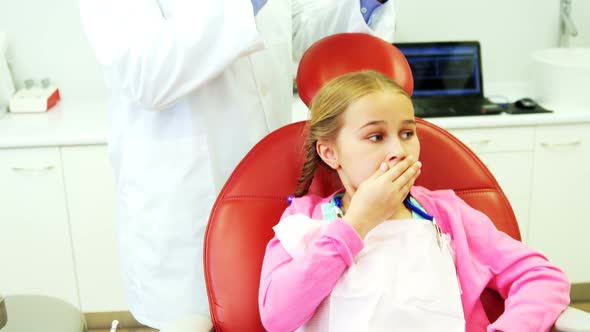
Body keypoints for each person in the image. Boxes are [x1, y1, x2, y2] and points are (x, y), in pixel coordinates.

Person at [79, 0, 398, 329]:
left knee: (279, 308)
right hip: (185, 205)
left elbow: (300, 35)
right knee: (194, 320)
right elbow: (146, 72)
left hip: (268, 188)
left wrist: (364, 4)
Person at [258, 71, 570, 332]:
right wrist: (357, 224)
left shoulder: (447, 215)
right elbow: (277, 317)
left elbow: (541, 277)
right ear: (330, 152)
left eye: (407, 133)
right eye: (376, 136)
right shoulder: (303, 221)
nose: (399, 150)